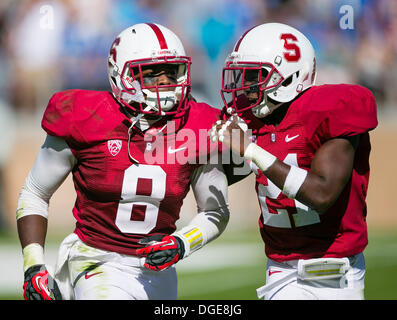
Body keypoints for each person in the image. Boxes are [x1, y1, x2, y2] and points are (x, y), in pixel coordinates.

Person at [17, 23, 229, 300]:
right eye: (151, 73)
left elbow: (215, 210)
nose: (165, 82)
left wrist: (181, 243)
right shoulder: (86, 117)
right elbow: (35, 192)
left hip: (159, 271)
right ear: (122, 77)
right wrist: (33, 264)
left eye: (172, 71)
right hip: (96, 261)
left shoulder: (198, 125)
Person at [210, 22, 377, 300]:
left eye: (255, 77)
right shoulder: (249, 120)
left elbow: (321, 194)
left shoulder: (330, 109)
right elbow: (218, 173)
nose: (245, 87)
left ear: (289, 76)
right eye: (242, 77)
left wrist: (251, 150)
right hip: (281, 271)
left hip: (337, 271)